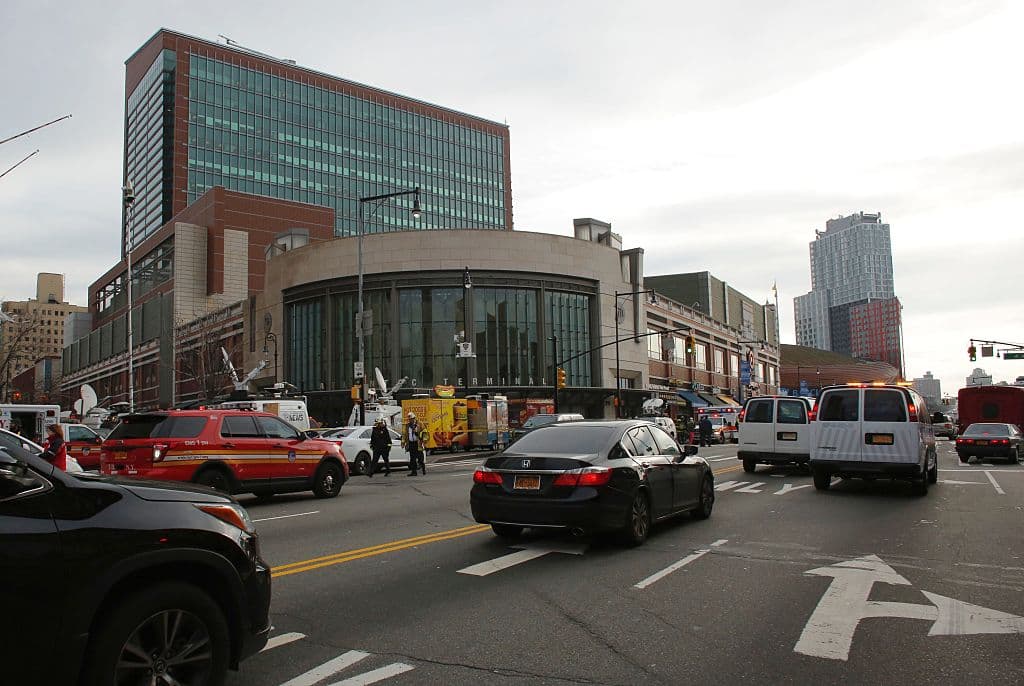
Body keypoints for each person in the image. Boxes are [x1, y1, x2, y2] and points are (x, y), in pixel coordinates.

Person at [402, 412, 429, 476]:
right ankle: (414, 472)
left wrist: (424, 440)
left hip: (418, 443)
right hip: (411, 444)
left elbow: (425, 432)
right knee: (412, 459)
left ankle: (423, 469)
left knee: (420, 458)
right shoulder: (407, 426)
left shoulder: (420, 424)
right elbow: (405, 434)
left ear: (414, 418)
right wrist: (403, 442)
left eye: (411, 419)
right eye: (409, 419)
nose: (410, 420)